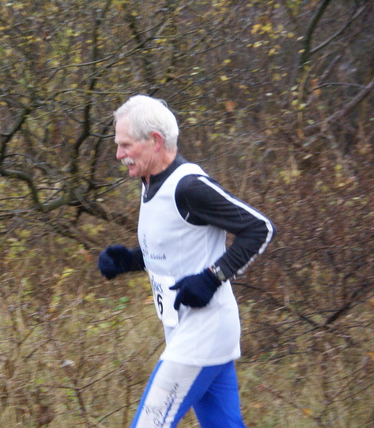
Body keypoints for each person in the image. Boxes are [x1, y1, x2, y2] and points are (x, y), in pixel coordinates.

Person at [98, 95, 275, 428]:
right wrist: (130, 261)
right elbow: (176, 250)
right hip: (184, 328)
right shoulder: (150, 182)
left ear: (154, 141)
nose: (119, 154)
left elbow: (259, 228)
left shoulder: (190, 187)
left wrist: (212, 277)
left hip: (204, 329)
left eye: (125, 145)